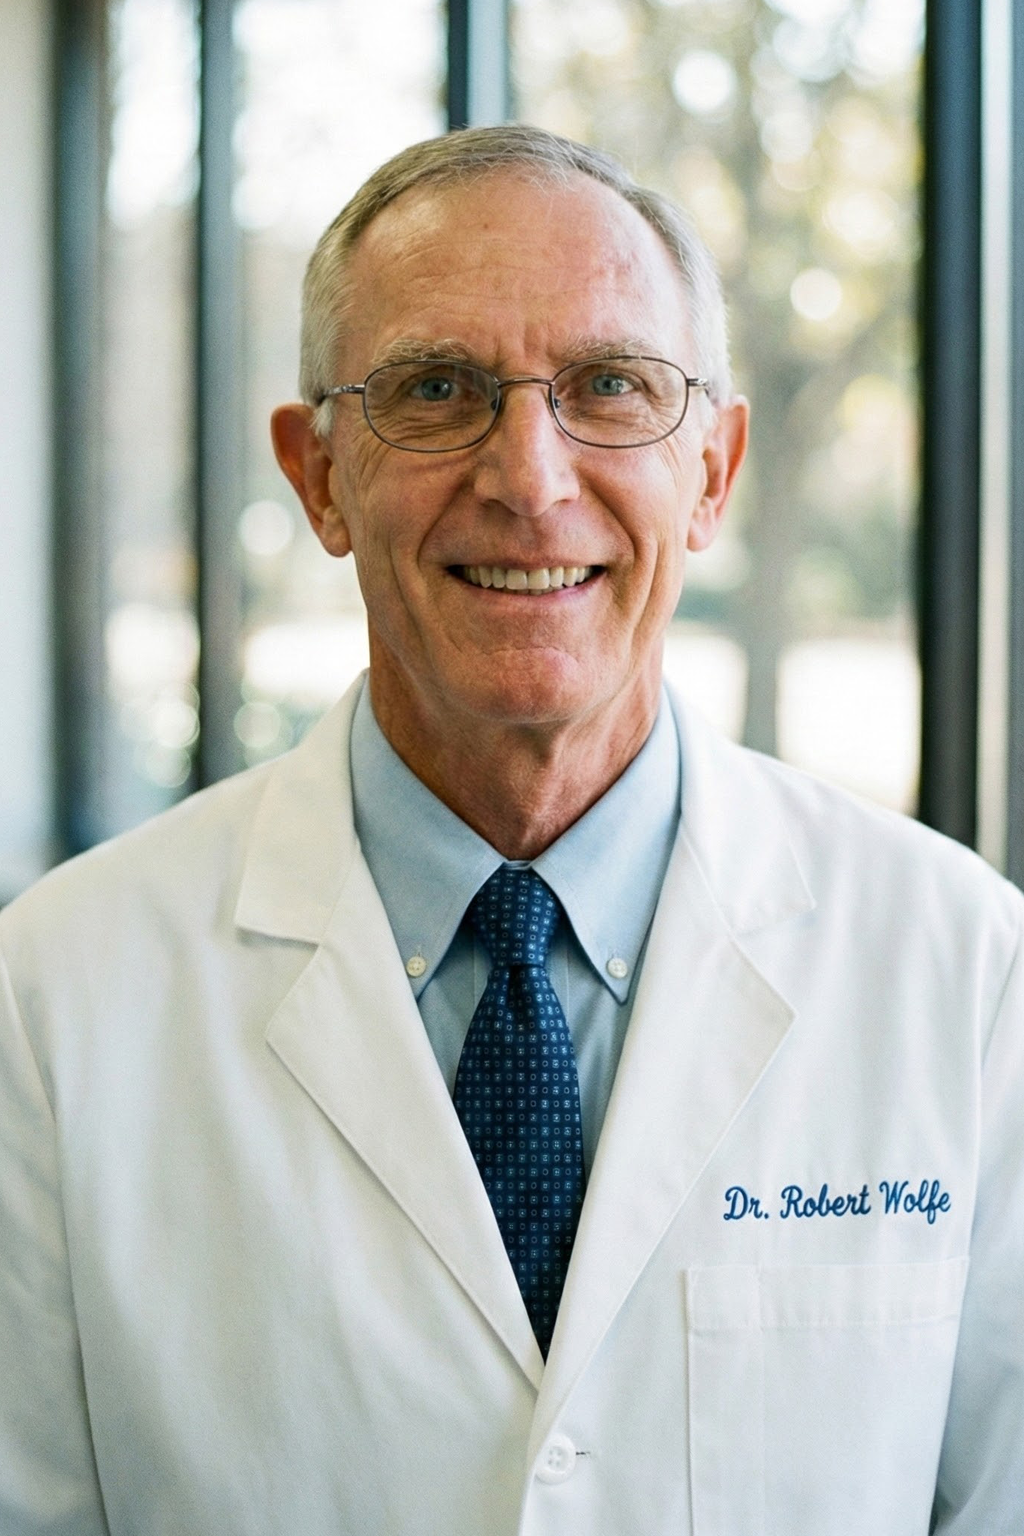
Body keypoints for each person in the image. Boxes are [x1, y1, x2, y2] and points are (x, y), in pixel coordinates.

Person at [0, 124, 1021, 1536]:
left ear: (714, 473)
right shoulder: (54, 994)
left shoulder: (965, 972)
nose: (530, 477)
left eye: (611, 387)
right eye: (436, 390)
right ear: (318, 476)